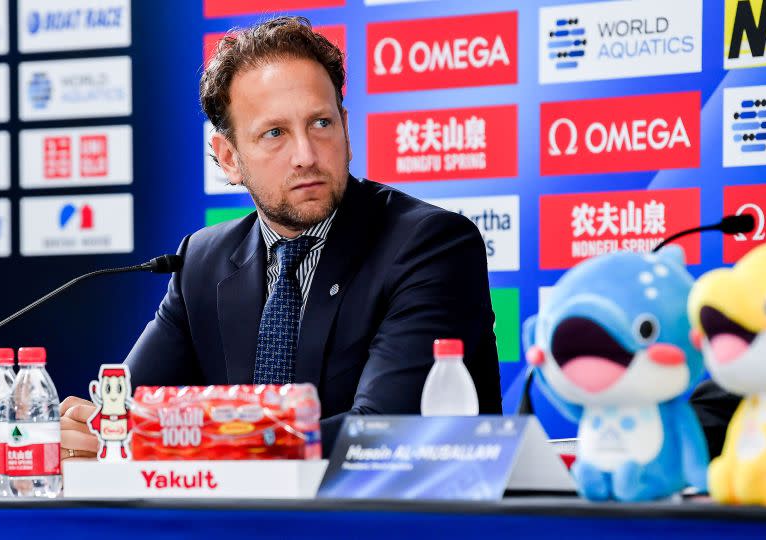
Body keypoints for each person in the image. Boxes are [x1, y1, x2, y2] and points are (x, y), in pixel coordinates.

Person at [59, 16, 503, 461]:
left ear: (346, 130)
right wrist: (95, 431)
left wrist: (184, 442)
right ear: (229, 158)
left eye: (321, 124)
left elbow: (380, 433)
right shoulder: (201, 262)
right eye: (275, 133)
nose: (306, 155)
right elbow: (124, 416)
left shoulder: (431, 245)